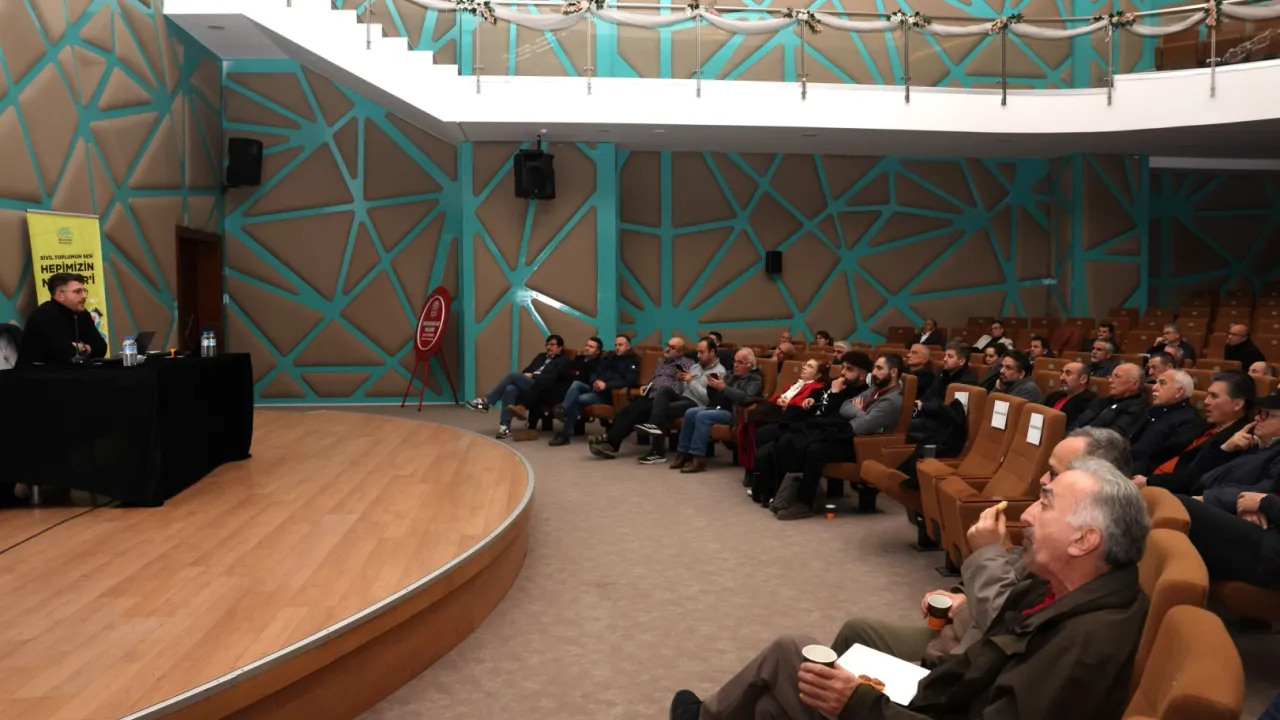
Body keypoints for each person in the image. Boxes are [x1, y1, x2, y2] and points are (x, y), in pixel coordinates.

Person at [672, 454, 1150, 720]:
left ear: (1085, 540)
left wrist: (862, 704)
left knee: (788, 653)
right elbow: (973, 670)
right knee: (771, 706)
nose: (1025, 514)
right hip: (934, 701)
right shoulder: (1052, 590)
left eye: (1044, 504)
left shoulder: (1087, 641)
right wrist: (907, 690)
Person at [771, 354, 904, 520]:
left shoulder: (892, 400)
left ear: (893, 372)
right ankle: (793, 496)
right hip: (850, 436)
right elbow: (844, 406)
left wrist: (859, 414)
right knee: (799, 440)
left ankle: (806, 502)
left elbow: (861, 427)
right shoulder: (875, 390)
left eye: (879, 368)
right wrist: (861, 413)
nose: (874, 372)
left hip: (865, 446)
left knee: (815, 448)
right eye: (875, 368)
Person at [1138, 372, 1253, 492]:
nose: (1206, 401)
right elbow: (1162, 454)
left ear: (1237, 404)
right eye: (1208, 395)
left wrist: (1148, 481)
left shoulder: (1236, 442)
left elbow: (1193, 479)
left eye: (1214, 396)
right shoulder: (1202, 425)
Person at [671, 348, 763, 474]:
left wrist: (723, 388)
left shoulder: (755, 379)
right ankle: (683, 453)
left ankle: (698, 457)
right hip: (719, 407)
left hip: (734, 412)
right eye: (735, 361)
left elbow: (746, 397)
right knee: (690, 413)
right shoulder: (730, 375)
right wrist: (712, 387)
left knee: (702, 416)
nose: (735, 365)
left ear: (750, 365)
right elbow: (713, 397)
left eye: (740, 362)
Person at [466, 334, 570, 438]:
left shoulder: (563, 360)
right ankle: (505, 427)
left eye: (552, 345)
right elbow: (528, 369)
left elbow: (553, 377)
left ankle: (486, 401)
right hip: (530, 383)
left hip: (542, 386)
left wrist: (533, 376)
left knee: (512, 375)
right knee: (510, 389)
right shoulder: (541, 356)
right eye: (547, 344)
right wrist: (525, 375)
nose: (548, 347)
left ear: (560, 348)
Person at [550, 335, 639, 446]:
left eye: (620, 345)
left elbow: (628, 382)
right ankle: (563, 410)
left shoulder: (632, 361)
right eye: (616, 345)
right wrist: (595, 381)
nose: (617, 347)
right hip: (596, 387)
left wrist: (606, 385)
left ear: (628, 346)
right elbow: (595, 372)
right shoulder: (609, 357)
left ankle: (565, 434)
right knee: (576, 384)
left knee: (577, 399)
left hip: (607, 394)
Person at [17, 272, 107, 365]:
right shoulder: (44, 315)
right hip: (37, 372)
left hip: (69, 371)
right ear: (61, 295)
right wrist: (85, 349)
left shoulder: (82, 314)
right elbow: (64, 353)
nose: (84, 296)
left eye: (84, 291)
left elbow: (101, 348)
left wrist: (82, 348)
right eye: (78, 291)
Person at [1071, 362, 1148, 439]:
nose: (1110, 380)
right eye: (1110, 376)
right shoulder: (1103, 400)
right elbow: (1078, 422)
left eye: (1117, 377)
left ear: (1134, 384)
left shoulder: (1138, 409)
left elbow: (1113, 437)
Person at [1043, 362, 1095, 428]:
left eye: (1068, 374)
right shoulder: (1053, 396)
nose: (1061, 378)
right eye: (1062, 373)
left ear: (1083, 379)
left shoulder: (1089, 403)